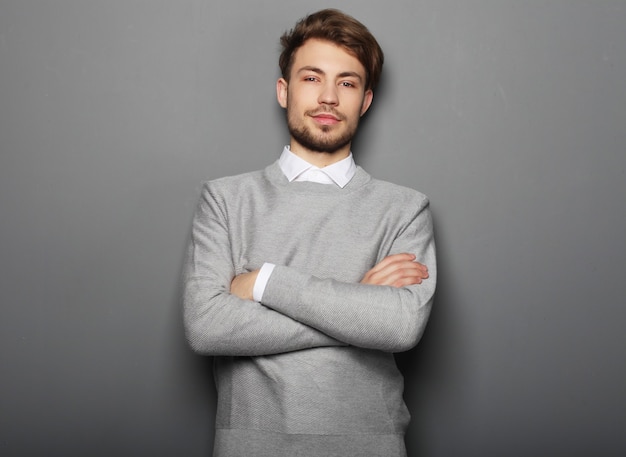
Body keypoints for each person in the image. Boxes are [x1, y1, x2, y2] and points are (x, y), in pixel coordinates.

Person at [183, 8, 436, 457]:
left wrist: (264, 282)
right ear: (284, 91)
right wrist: (357, 303)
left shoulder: (404, 208)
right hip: (250, 446)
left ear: (365, 100)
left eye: (347, 83)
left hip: (370, 446)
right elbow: (207, 327)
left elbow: (400, 326)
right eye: (312, 78)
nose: (328, 98)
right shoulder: (225, 200)